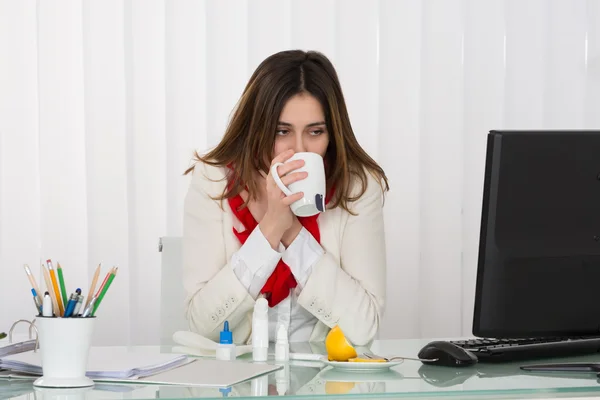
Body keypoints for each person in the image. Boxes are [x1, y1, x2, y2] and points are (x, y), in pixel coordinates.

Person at [183, 50, 388, 346]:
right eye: (282, 131)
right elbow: (201, 326)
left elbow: (365, 327)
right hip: (239, 382)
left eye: (315, 132)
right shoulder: (212, 182)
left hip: (323, 383)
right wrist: (270, 229)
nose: (299, 149)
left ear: (332, 134)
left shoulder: (357, 188)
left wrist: (292, 232)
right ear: (257, 128)